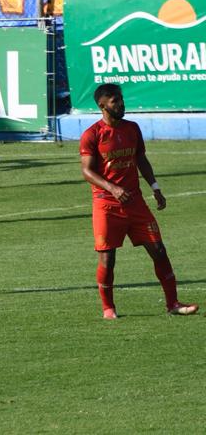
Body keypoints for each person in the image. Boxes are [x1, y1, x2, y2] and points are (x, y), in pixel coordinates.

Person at [79, 84, 198, 319]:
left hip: (135, 203)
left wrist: (155, 187)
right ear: (102, 105)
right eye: (115, 101)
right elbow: (87, 171)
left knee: (159, 250)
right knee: (108, 258)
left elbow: (140, 159)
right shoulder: (92, 134)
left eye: (121, 99)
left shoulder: (132, 128)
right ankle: (108, 308)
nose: (121, 104)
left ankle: (173, 303)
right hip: (107, 205)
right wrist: (112, 188)